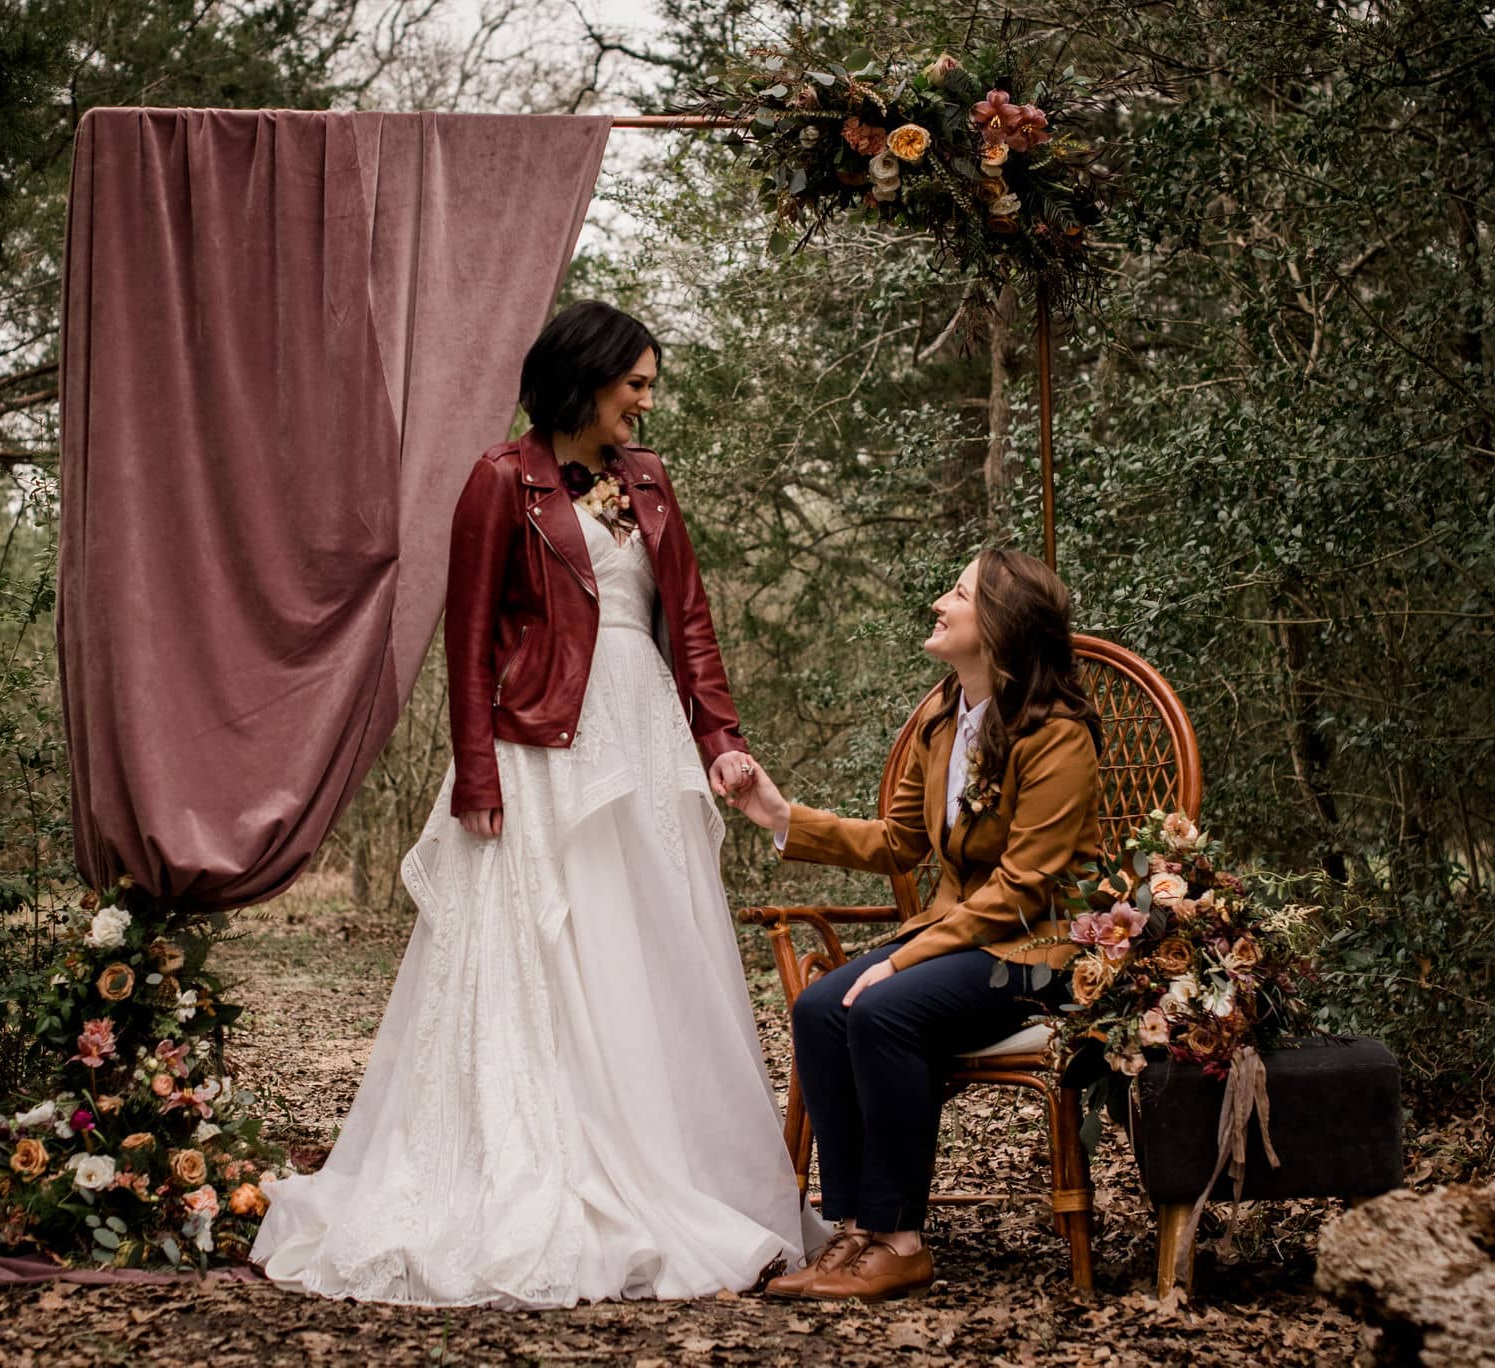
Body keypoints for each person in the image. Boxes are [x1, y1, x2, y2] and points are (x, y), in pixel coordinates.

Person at [252, 300, 818, 1306]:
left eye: (649, 384)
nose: (645, 402)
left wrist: (721, 744)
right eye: (633, 383)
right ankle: (543, 1162)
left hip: (641, 738)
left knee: (650, 949)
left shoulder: (647, 481)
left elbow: (686, 623)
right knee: (548, 953)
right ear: (583, 378)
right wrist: (475, 772)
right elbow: (465, 639)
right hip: (541, 747)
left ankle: (667, 1164)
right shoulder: (500, 479)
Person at [724, 548, 1103, 1302]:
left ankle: (900, 1239)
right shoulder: (940, 719)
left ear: (998, 626)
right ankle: (856, 1232)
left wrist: (900, 961)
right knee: (819, 1006)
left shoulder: (1058, 735)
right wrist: (777, 815)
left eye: (958, 594)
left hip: (1042, 952)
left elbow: (1024, 889)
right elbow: (898, 844)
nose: (940, 601)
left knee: (884, 1007)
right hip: (962, 938)